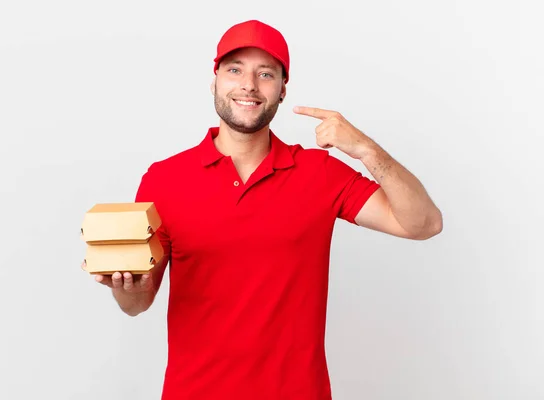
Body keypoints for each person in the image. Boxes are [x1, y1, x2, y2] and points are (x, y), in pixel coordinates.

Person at [87, 19, 442, 400]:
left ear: (282, 90)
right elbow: (138, 304)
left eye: (265, 74)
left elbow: (423, 224)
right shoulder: (164, 179)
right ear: (215, 80)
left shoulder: (319, 173)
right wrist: (127, 288)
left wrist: (367, 150)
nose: (249, 85)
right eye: (235, 70)